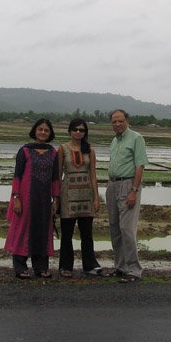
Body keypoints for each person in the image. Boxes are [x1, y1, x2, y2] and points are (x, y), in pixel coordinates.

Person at [5, 118, 60, 278]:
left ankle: (41, 267)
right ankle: (20, 267)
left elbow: (55, 178)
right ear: (34, 131)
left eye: (46, 130)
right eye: (40, 129)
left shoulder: (53, 153)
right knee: (23, 229)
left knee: (44, 230)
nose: (43, 132)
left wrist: (55, 200)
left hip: (44, 200)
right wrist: (16, 197)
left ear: (50, 133)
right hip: (26, 198)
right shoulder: (25, 151)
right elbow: (17, 176)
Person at [105, 109, 148, 283]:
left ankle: (134, 270)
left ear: (127, 121)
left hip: (128, 185)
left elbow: (140, 166)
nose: (117, 124)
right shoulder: (114, 140)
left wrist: (134, 190)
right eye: (114, 121)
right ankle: (120, 267)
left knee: (127, 229)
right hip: (112, 184)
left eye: (120, 121)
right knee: (115, 228)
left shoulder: (136, 138)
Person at [57, 118, 103, 278]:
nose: (78, 132)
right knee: (67, 234)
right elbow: (57, 175)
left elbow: (93, 175)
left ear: (85, 132)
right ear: (70, 131)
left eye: (81, 130)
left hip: (86, 196)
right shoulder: (62, 149)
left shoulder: (89, 150)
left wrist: (96, 198)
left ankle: (89, 265)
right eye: (75, 129)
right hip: (68, 195)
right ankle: (65, 266)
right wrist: (55, 198)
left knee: (87, 234)